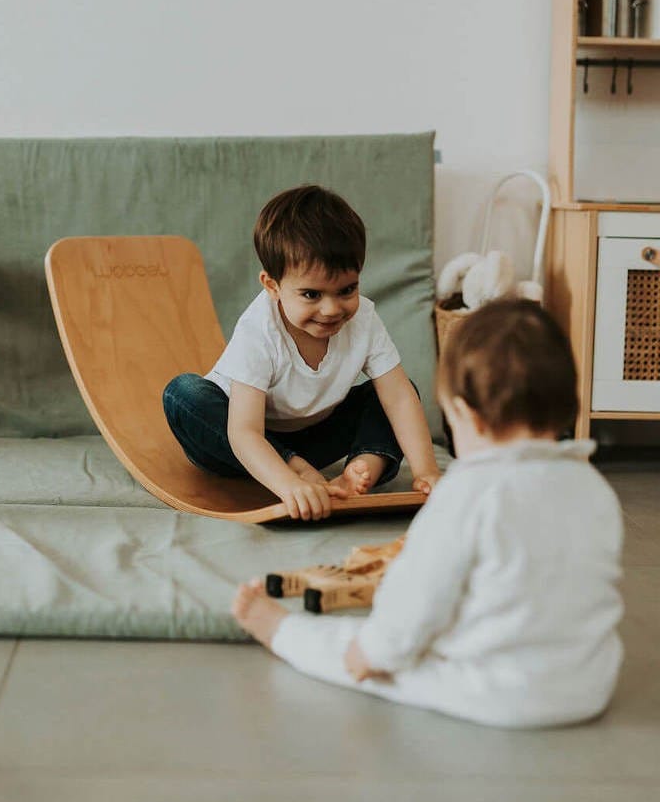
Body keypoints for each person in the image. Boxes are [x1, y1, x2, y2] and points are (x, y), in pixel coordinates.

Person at [232, 298, 625, 728]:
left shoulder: (467, 493)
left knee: (353, 645)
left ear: (464, 414)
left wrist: (373, 653)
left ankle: (280, 632)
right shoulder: (593, 487)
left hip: (501, 692)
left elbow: (416, 599)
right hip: (589, 683)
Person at [162, 185, 441, 520]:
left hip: (313, 436)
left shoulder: (363, 319)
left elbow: (397, 398)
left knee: (400, 390)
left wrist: (426, 471)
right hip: (236, 443)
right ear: (272, 286)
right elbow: (244, 432)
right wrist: (291, 482)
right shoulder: (259, 330)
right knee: (184, 394)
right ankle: (301, 471)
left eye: (347, 289)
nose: (331, 309)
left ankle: (362, 467)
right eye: (311, 294)